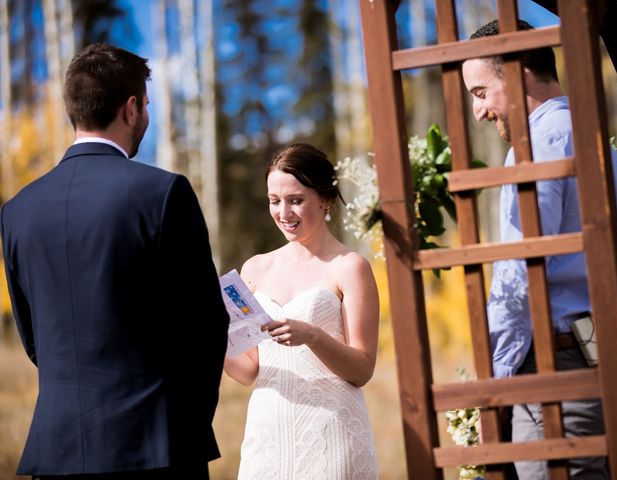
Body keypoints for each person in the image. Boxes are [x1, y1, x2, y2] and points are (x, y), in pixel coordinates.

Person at [0, 44, 229, 479]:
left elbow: (34, 341)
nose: (146, 115)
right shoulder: (163, 194)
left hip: (58, 452)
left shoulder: (17, 210)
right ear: (130, 109)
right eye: (145, 105)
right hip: (156, 447)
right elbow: (205, 325)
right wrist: (185, 421)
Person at [462, 20, 617, 479]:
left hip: (553, 371)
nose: (478, 112)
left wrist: (493, 385)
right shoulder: (593, 135)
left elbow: (520, 273)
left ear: (518, 74)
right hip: (596, 353)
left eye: (480, 93)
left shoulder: (539, 143)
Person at [224, 143, 379, 479]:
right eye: (274, 201)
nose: (283, 212)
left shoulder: (350, 267)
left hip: (331, 435)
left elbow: (362, 369)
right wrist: (212, 339)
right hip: (268, 438)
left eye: (295, 200)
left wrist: (312, 335)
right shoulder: (254, 269)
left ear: (324, 199)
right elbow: (248, 370)